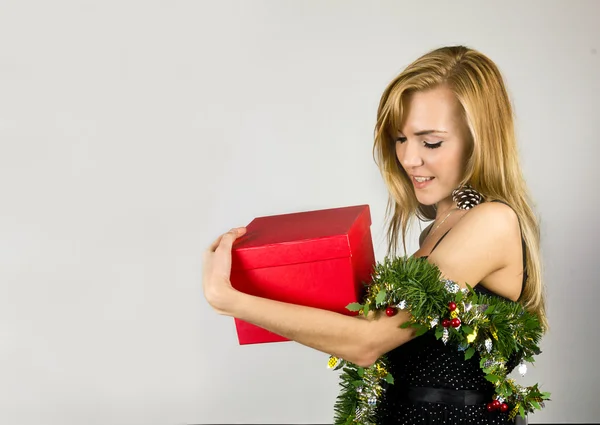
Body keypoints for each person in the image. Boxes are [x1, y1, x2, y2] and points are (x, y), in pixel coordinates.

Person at [202, 45, 547, 425]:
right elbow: (359, 332)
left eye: (430, 142)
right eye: (401, 139)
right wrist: (266, 276)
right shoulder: (439, 228)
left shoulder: (492, 222)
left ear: (479, 140)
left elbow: (367, 341)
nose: (409, 159)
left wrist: (229, 298)